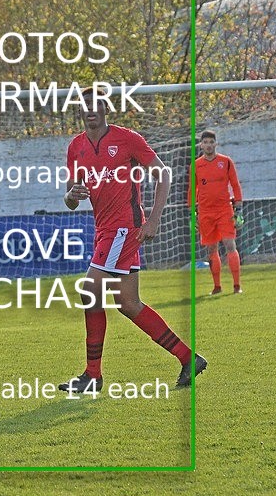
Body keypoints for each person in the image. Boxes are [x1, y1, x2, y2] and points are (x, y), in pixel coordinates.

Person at [59, 88, 206, 394]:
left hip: (124, 228)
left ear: (106, 109)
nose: (91, 109)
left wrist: (154, 219)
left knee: (90, 292)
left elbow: (163, 174)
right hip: (104, 230)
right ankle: (188, 358)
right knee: (128, 304)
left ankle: (93, 375)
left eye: (96, 104)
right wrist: (71, 195)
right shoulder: (76, 147)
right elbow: (71, 199)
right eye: (85, 105)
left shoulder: (127, 139)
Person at [189, 130, 244, 295]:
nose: (208, 145)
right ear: (201, 145)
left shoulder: (226, 162)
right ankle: (217, 286)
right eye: (205, 142)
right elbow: (192, 189)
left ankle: (237, 286)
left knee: (230, 244)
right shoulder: (196, 165)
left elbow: (235, 184)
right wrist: (192, 213)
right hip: (205, 212)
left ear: (216, 144)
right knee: (212, 249)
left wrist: (239, 208)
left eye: (211, 142)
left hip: (224, 210)